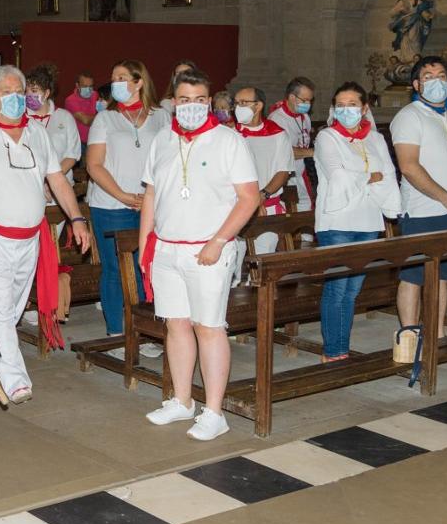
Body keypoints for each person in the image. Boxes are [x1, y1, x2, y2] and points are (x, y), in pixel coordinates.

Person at [0, 66, 92, 404]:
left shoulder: (38, 134)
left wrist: (77, 218)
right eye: (6, 93)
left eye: (18, 92)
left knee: (10, 308)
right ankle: (14, 379)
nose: (14, 99)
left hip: (29, 238)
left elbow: (56, 180)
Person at [140, 68, 259, 441]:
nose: (192, 107)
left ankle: (214, 411)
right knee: (175, 325)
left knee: (208, 327)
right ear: (174, 102)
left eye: (200, 100)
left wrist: (219, 241)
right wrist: (147, 246)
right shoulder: (162, 140)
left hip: (209, 250)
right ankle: (182, 400)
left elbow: (249, 198)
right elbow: (151, 195)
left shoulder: (228, 141)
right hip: (167, 248)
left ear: (209, 102)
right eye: (185, 100)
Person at [389, 55, 447, 334]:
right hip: (423, 211)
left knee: (441, 276)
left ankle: (436, 334)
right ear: (416, 84)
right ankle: (409, 336)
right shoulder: (409, 116)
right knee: (414, 276)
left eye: (442, 76)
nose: (436, 81)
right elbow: (409, 166)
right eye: (429, 77)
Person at [85, 60, 169, 347]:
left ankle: (145, 329)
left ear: (139, 82)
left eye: (122, 77)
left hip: (151, 203)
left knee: (147, 266)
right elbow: (94, 165)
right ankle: (117, 332)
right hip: (111, 204)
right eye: (113, 77)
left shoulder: (161, 117)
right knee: (115, 268)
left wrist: (151, 196)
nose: (116, 82)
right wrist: (121, 195)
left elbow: (168, 160)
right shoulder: (105, 118)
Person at [315, 82, 400, 362]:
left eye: (352, 104)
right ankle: (333, 352)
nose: (346, 109)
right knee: (336, 288)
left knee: (352, 291)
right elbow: (337, 176)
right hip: (336, 222)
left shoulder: (375, 139)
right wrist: (369, 177)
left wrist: (367, 177)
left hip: (368, 222)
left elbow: (388, 175)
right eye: (341, 104)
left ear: (364, 108)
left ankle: (342, 349)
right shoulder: (328, 137)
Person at [232, 86, 293, 256]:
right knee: (233, 261)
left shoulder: (278, 135)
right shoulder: (230, 134)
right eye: (236, 103)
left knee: (262, 262)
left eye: (243, 103)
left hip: (267, 206)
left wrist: (261, 195)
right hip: (234, 207)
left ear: (258, 106)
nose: (238, 107)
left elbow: (283, 172)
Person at [268, 76, 317, 213]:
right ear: (292, 97)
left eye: (310, 100)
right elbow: (283, 152)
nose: (308, 104)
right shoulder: (277, 119)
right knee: (293, 217)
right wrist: (314, 152)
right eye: (305, 100)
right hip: (284, 178)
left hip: (301, 173)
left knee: (306, 213)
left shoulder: (305, 117)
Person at [25, 63, 81, 180]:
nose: (29, 94)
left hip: (61, 183)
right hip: (31, 185)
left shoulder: (64, 117)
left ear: (46, 93)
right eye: (26, 90)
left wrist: (52, 181)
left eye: (34, 90)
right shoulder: (21, 118)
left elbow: (72, 154)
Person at [62, 71, 99, 144]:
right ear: (77, 86)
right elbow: (86, 121)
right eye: (85, 86)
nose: (88, 89)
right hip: (79, 142)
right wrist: (102, 114)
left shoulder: (95, 94)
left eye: (91, 86)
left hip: (94, 139)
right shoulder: (70, 100)